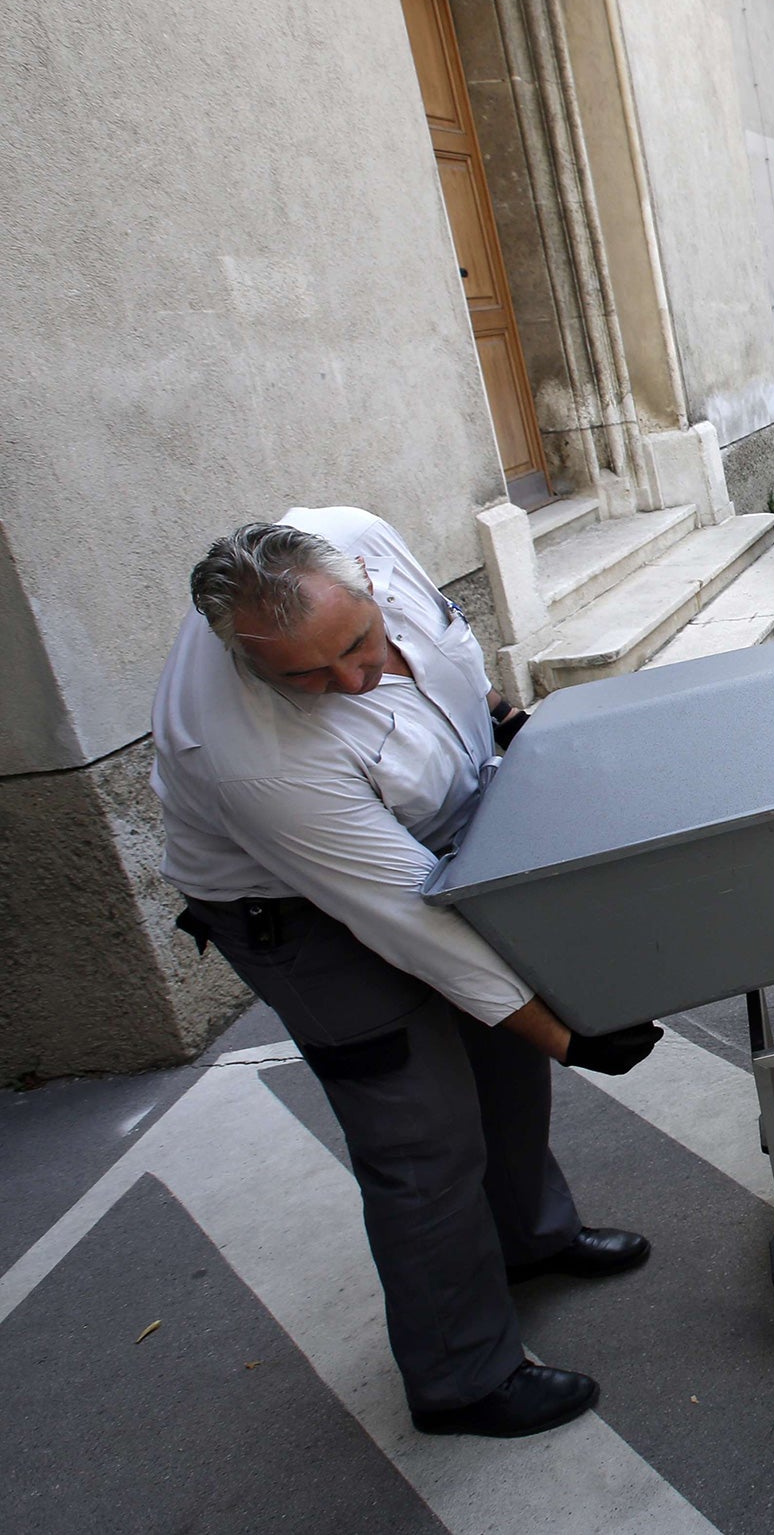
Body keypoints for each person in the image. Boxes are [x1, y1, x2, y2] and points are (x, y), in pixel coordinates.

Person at [152, 507, 663, 1439]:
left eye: (359, 642)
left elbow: (449, 651)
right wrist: (568, 1029)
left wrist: (497, 725)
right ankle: (460, 1374)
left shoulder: (356, 534)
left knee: (502, 1065)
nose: (353, 677)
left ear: (362, 582)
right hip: (296, 912)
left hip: (438, 839)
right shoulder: (252, 756)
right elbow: (403, 918)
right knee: (420, 1132)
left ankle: (529, 1237)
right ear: (248, 660)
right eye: (310, 675)